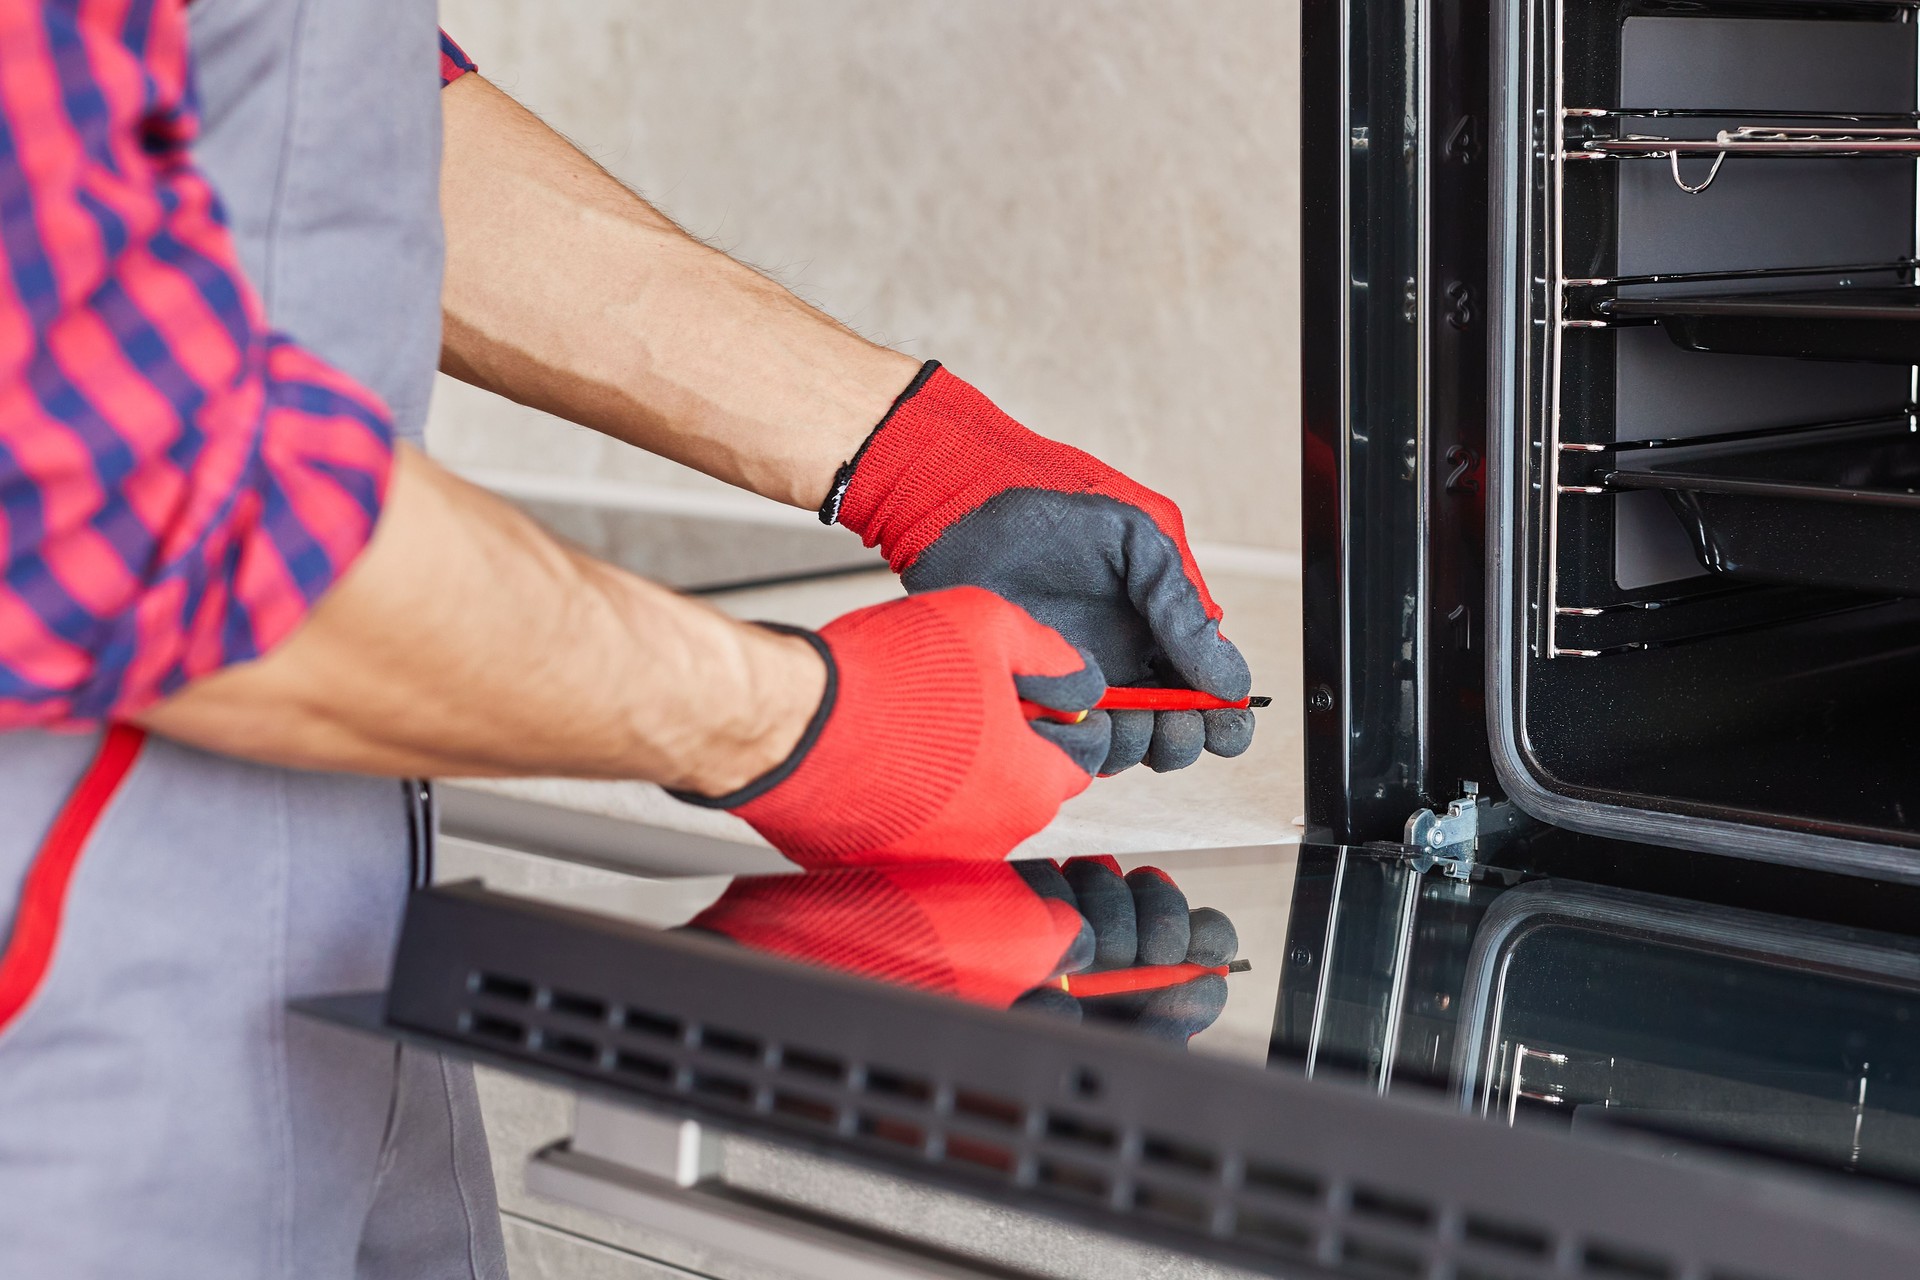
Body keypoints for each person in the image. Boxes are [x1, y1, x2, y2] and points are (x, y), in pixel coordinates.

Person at [0, 6, 1254, 1277]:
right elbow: (126, 488)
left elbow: (318, 131)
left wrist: (917, 454)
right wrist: (790, 718)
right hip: (71, 1024)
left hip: (338, 946)